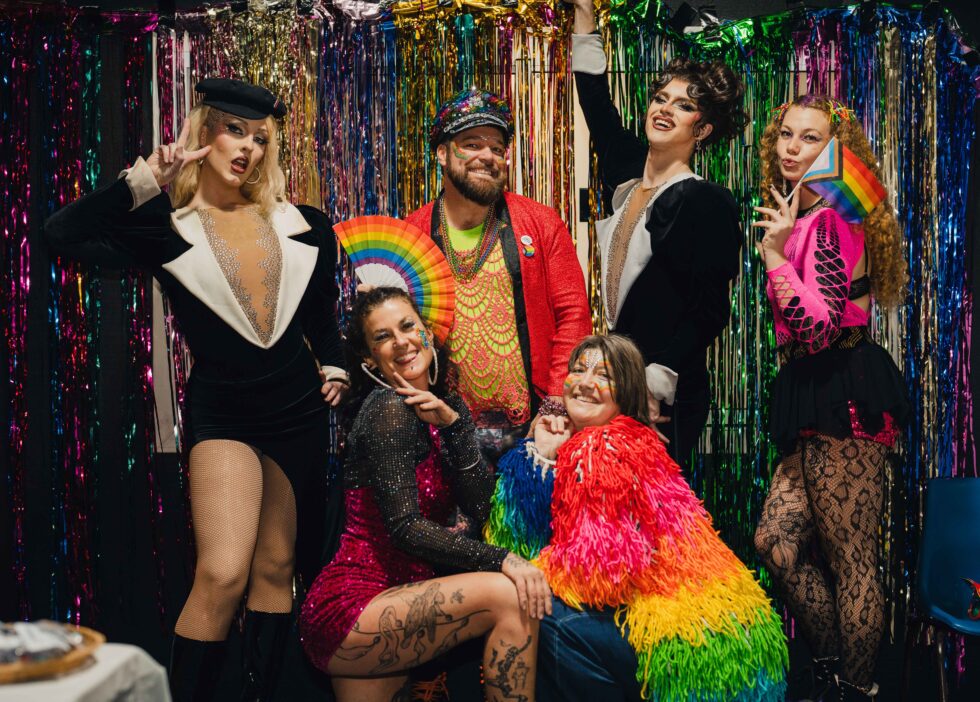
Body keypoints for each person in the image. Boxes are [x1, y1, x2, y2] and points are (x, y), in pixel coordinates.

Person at [44, 78, 349, 701]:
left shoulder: (309, 226)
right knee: (223, 572)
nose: (248, 149)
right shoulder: (165, 226)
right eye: (234, 131)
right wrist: (139, 184)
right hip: (226, 414)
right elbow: (58, 235)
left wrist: (338, 365)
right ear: (202, 132)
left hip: (298, 413)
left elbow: (324, 320)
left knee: (275, 570)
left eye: (260, 139)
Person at [486, 334, 788, 702]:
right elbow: (516, 542)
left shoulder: (605, 447)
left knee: (541, 617)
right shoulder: (609, 440)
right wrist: (543, 457)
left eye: (603, 375)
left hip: (695, 642)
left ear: (626, 393)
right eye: (578, 370)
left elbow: (601, 576)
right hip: (724, 636)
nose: (584, 382)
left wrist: (530, 571)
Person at [300, 286, 552, 702]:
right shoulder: (388, 409)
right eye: (382, 337)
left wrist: (456, 428)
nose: (400, 342)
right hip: (355, 605)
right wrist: (504, 560)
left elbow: (483, 508)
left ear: (427, 333)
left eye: (407, 326)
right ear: (369, 360)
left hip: (395, 601)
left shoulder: (445, 406)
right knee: (511, 595)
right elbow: (404, 529)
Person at [750, 95, 910, 701]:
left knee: (852, 560)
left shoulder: (833, 222)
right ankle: (834, 668)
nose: (792, 148)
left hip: (842, 386)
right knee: (777, 542)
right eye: (786, 135)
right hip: (809, 388)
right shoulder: (804, 218)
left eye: (809, 138)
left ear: (836, 151)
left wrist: (772, 256)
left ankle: (856, 687)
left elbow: (818, 330)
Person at [568, 0, 747, 470]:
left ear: (703, 128)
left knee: (661, 529)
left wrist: (656, 381)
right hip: (616, 379)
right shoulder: (627, 171)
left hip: (667, 391)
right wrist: (585, 16)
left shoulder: (706, 201)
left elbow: (709, 311)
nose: (666, 110)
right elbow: (594, 99)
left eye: (684, 106)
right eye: (661, 98)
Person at [405, 87, 592, 464]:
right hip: (442, 431)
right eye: (472, 144)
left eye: (497, 148)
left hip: (532, 428)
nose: (487, 157)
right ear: (441, 153)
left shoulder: (540, 224)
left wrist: (556, 402)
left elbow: (574, 314)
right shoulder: (412, 234)